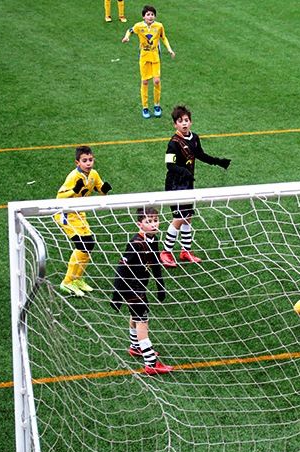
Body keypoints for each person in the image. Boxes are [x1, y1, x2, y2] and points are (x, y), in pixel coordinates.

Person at [160, 104, 231, 268]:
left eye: (186, 120)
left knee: (188, 217)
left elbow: (200, 155)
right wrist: (184, 172)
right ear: (175, 125)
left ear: (191, 122)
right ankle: (165, 252)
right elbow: (170, 165)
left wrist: (217, 162)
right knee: (179, 218)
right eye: (180, 121)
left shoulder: (194, 138)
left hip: (187, 184)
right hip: (175, 185)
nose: (184, 123)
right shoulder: (173, 143)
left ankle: (185, 251)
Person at [110, 207, 173, 375]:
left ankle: (135, 346)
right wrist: (116, 296)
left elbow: (155, 263)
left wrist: (161, 286)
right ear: (140, 224)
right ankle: (151, 363)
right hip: (131, 287)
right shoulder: (135, 244)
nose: (153, 224)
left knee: (136, 316)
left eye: (155, 220)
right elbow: (121, 269)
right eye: (148, 221)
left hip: (140, 287)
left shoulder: (153, 238)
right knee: (142, 321)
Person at [54, 146, 112, 297]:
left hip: (80, 214)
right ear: (77, 162)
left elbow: (100, 189)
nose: (88, 163)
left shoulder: (93, 174)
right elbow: (59, 197)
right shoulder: (73, 176)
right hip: (66, 214)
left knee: (89, 245)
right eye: (84, 160)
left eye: (90, 160)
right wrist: (74, 190)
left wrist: (105, 189)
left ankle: (77, 279)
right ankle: (67, 282)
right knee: (82, 244)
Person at [121, 5, 175, 119]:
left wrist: (169, 49)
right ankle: (145, 107)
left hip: (155, 57)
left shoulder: (159, 26)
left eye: (152, 14)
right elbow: (130, 30)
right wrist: (127, 37)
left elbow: (163, 38)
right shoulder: (139, 26)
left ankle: (157, 105)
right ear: (144, 17)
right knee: (145, 82)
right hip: (144, 57)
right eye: (148, 14)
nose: (150, 17)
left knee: (156, 81)